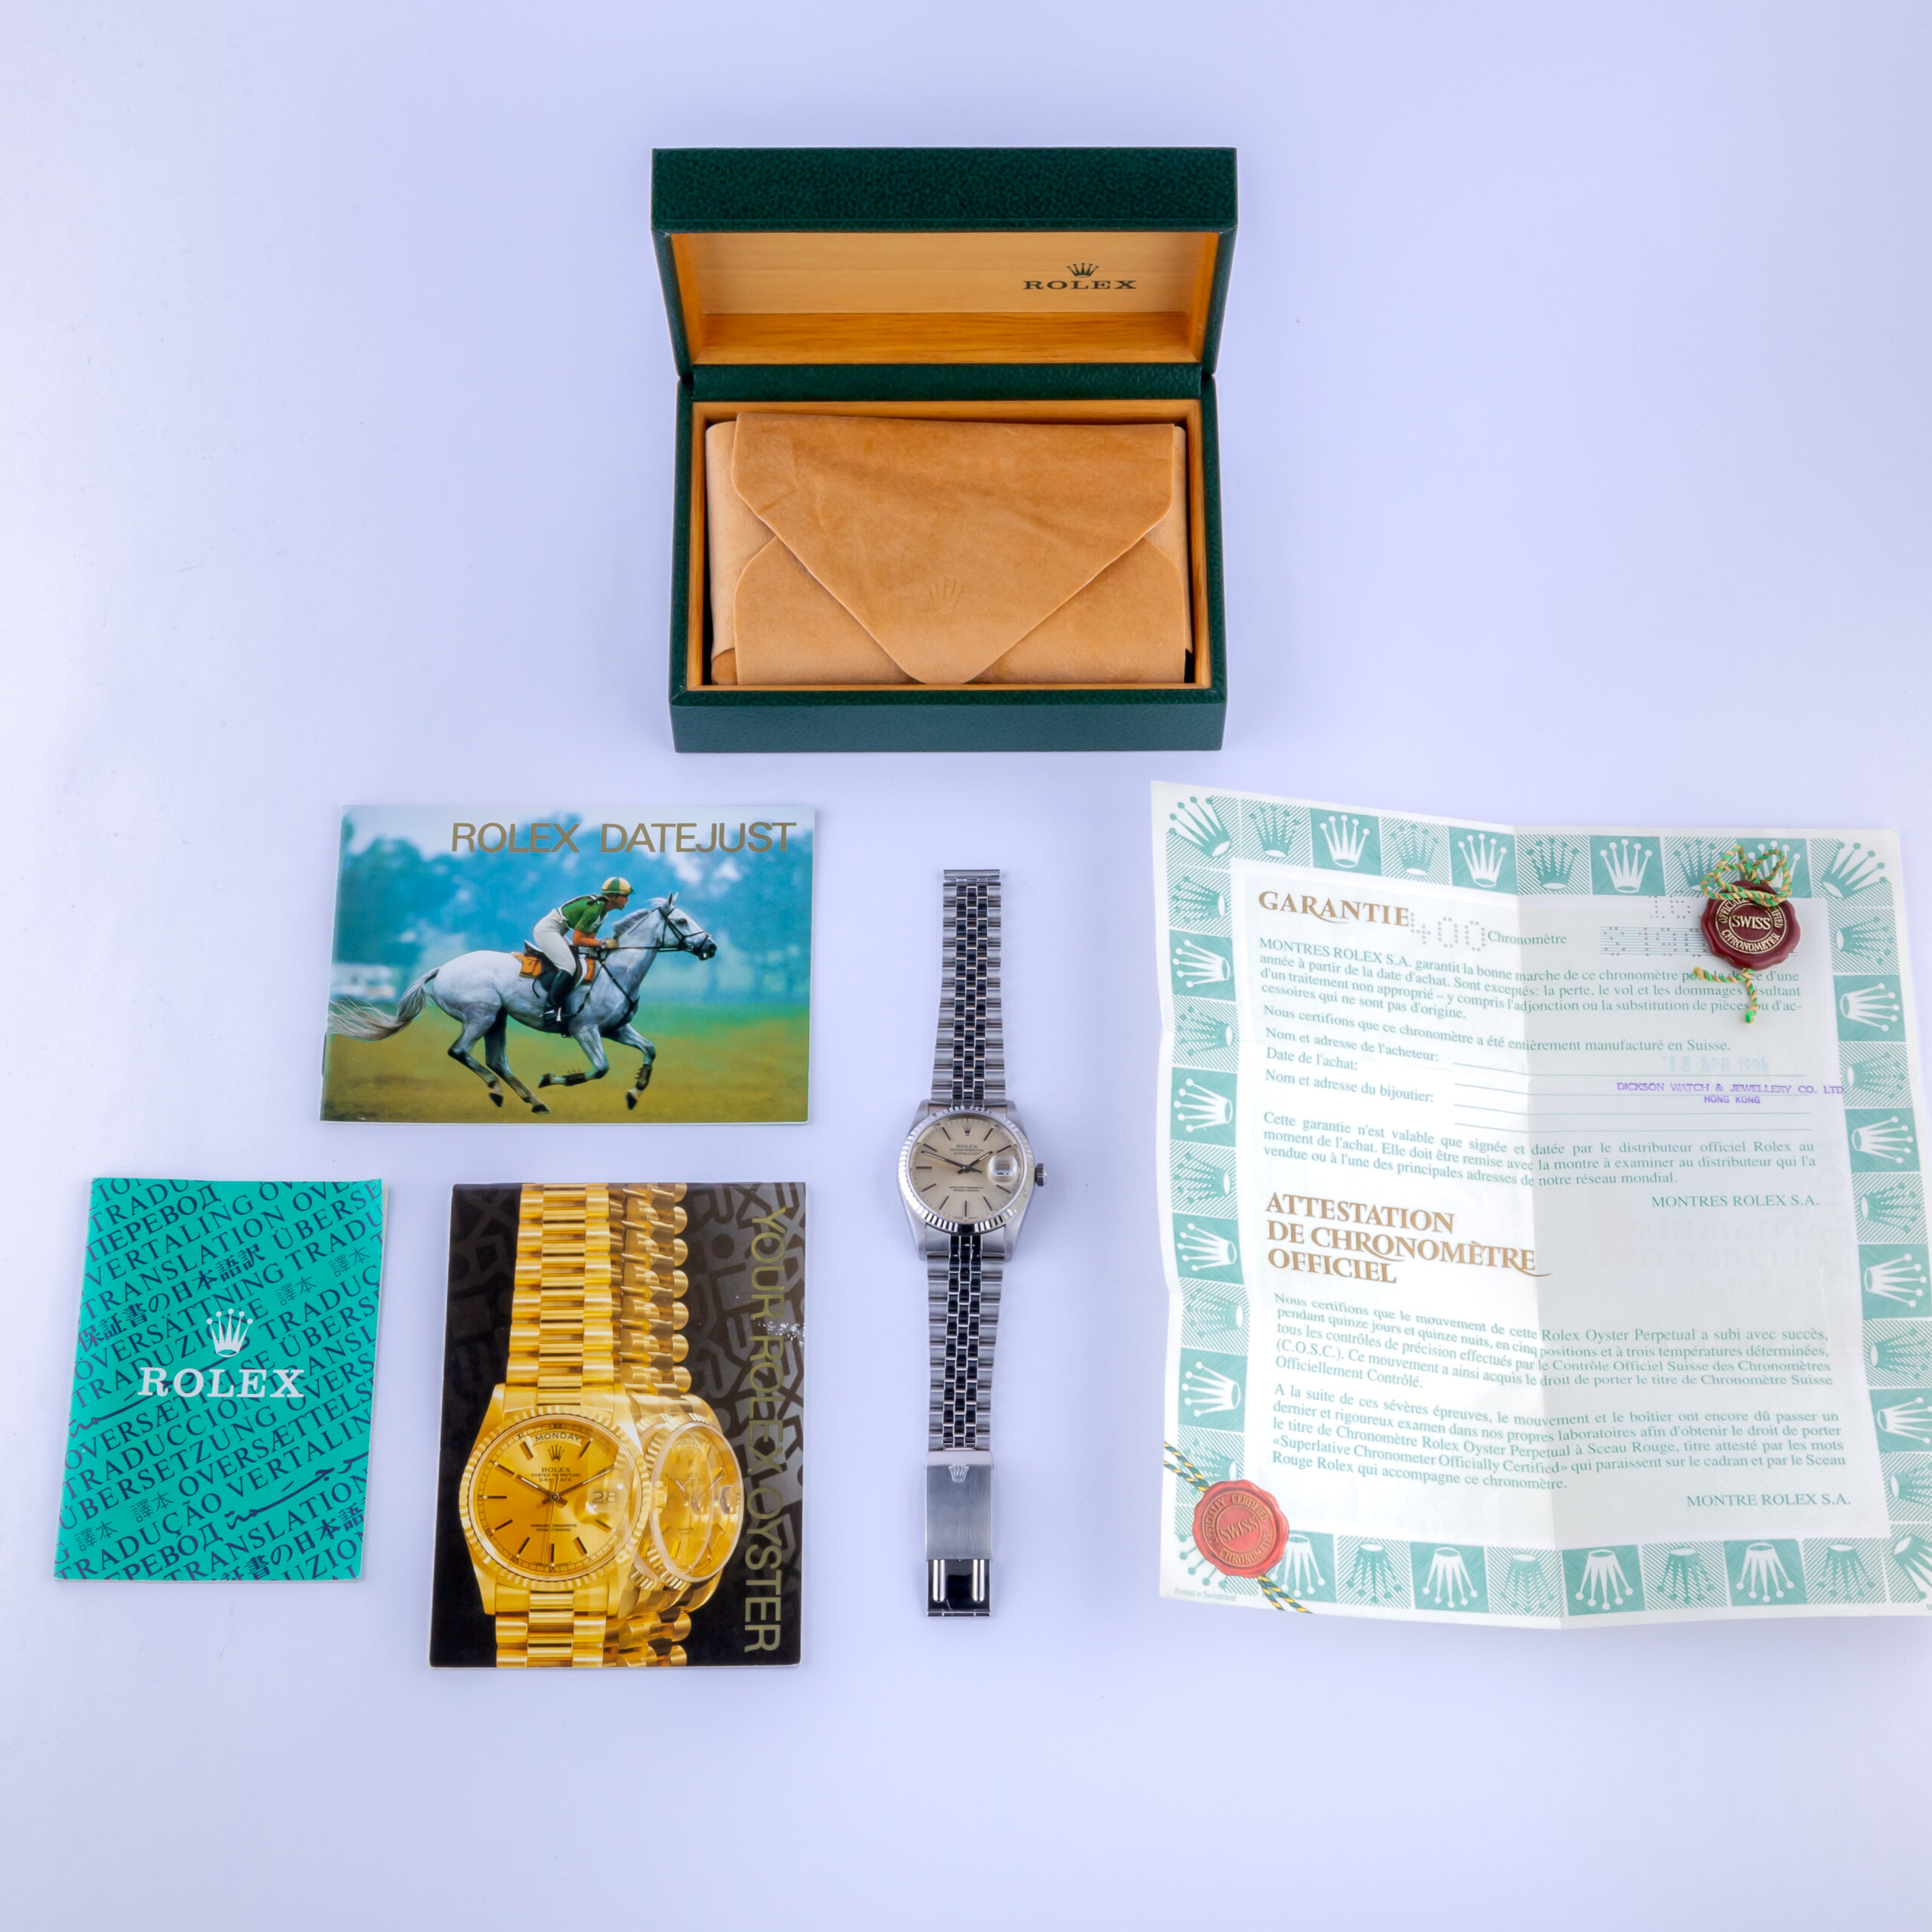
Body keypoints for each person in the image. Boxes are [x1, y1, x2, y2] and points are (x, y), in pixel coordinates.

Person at [530, 876, 632, 1024]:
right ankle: (549, 1011)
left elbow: (589, 939)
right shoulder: (594, 910)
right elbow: (578, 940)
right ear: (613, 896)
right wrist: (604, 944)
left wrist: (603, 945)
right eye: (625, 896)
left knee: (578, 961)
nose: (627, 900)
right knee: (569, 966)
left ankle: (564, 1005)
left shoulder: (603, 912)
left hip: (558, 931)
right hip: (547, 930)